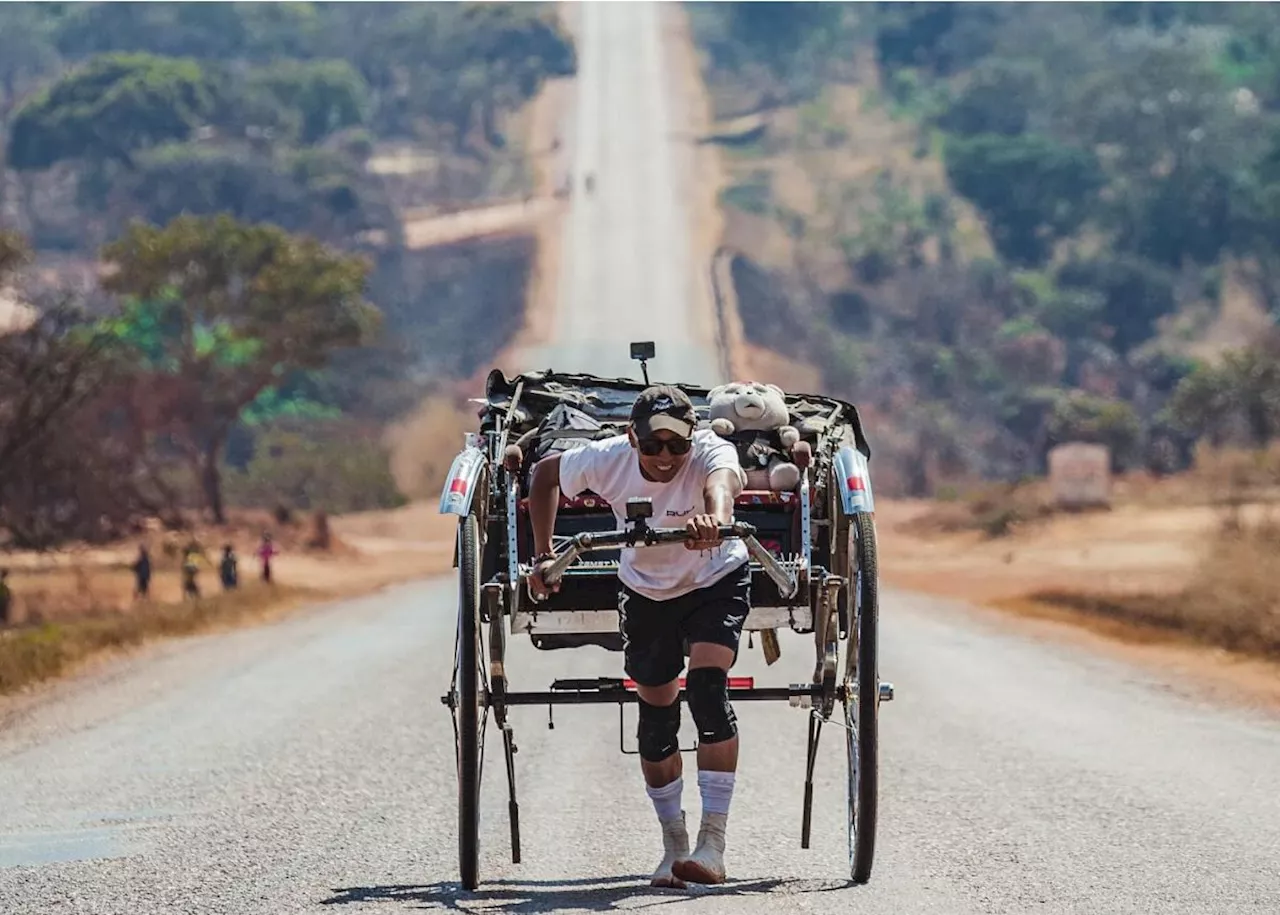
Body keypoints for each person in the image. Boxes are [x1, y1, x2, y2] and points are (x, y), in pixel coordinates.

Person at [527, 384, 749, 887]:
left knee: (709, 694)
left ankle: (711, 845)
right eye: (653, 445)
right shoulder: (606, 459)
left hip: (715, 579)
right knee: (656, 719)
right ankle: (673, 848)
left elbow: (722, 485)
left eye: (677, 445)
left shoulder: (712, 450)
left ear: (692, 439)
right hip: (646, 591)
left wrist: (715, 518)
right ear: (632, 438)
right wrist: (543, 555)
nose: (666, 456)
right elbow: (544, 477)